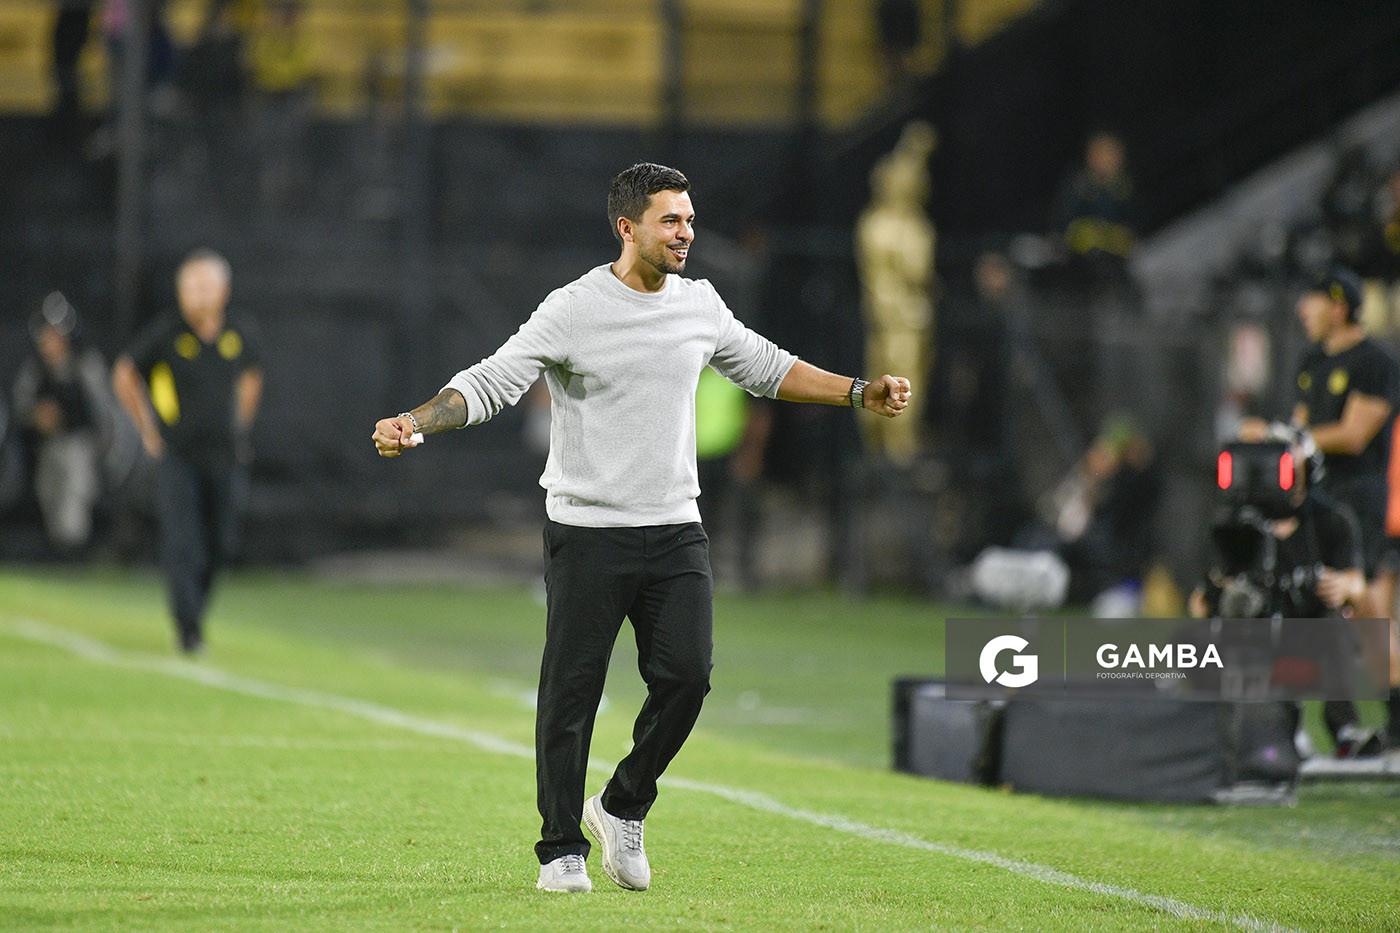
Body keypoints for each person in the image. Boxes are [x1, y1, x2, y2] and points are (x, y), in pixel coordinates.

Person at [372, 163, 912, 894]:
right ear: (627, 227)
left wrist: (857, 392)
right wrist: (417, 420)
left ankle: (622, 804)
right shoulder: (573, 307)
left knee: (689, 676)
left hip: (677, 527)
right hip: (589, 530)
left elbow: (765, 366)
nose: (687, 233)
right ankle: (561, 847)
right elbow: (495, 380)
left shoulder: (700, 304)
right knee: (571, 693)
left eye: (689, 220)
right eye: (671, 220)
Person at [1272, 268, 1400, 755]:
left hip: (1360, 499)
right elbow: (1303, 424)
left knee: (1366, 610)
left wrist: (1296, 439)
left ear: (1338, 306)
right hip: (1318, 498)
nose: (1303, 311)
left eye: (1311, 301)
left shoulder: (1375, 362)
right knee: (1318, 603)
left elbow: (1353, 434)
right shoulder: (1311, 361)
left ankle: (1390, 718)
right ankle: (1332, 724)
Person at [112, 249, 263, 655]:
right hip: (178, 456)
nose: (196, 295)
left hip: (225, 457)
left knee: (221, 542)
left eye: (204, 286)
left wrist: (240, 428)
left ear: (224, 291)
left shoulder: (238, 333)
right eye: (189, 286)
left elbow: (251, 376)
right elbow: (125, 372)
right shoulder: (167, 333)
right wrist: (148, 430)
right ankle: (188, 628)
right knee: (183, 542)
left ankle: (195, 614)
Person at [1189, 433, 1369, 751]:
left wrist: (1344, 586)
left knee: (1336, 624)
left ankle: (1344, 730)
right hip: (1250, 632)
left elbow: (1357, 583)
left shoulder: (1330, 520)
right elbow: (1200, 603)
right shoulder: (1232, 527)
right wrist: (1222, 594)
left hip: (1307, 629)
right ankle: (1217, 730)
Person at [11, 292, 114, 554]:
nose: (50, 341)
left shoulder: (85, 365)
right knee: (49, 497)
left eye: (55, 334)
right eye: (46, 335)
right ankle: (59, 555)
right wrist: (37, 415)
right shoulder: (36, 370)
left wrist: (104, 448)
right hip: (48, 446)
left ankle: (74, 557)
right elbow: (20, 406)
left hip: (79, 444)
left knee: (75, 499)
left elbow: (103, 409)